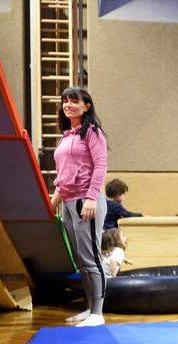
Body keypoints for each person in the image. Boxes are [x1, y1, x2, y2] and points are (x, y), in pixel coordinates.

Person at [50, 87, 108, 327]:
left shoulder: (92, 132)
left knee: (91, 256)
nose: (68, 104)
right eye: (65, 101)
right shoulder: (67, 136)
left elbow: (100, 164)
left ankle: (98, 312)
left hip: (86, 200)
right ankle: (89, 308)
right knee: (80, 258)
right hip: (68, 202)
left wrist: (92, 198)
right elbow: (62, 175)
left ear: (86, 106)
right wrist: (53, 202)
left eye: (74, 101)